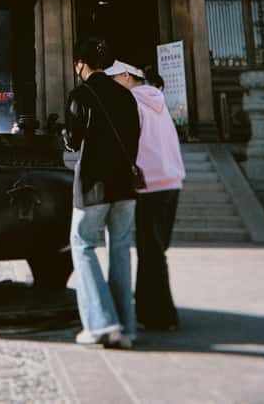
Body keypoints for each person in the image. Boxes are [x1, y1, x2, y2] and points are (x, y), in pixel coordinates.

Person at [64, 38, 140, 349]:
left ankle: (101, 322)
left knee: (82, 245)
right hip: (125, 184)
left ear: (80, 64)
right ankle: (126, 327)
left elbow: (72, 140)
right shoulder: (126, 96)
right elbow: (136, 136)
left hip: (94, 184)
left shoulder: (81, 95)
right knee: (120, 251)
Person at [111, 61, 185, 332]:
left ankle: (159, 316)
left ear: (126, 76)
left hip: (149, 182)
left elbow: (127, 143)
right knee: (155, 250)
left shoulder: (131, 102)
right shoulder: (159, 101)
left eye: (114, 79)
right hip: (171, 179)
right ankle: (153, 311)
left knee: (150, 251)